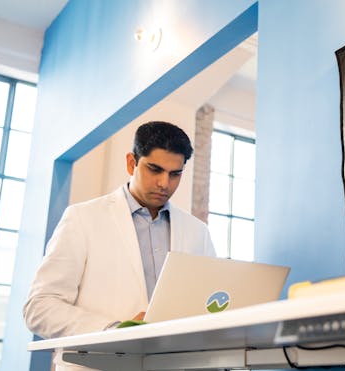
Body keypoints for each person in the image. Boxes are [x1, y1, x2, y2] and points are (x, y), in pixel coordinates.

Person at [23, 121, 216, 370]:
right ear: (131, 163)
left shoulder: (197, 231)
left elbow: (209, 303)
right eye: (154, 169)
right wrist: (115, 330)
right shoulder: (82, 218)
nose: (164, 183)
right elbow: (39, 307)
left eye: (174, 174)